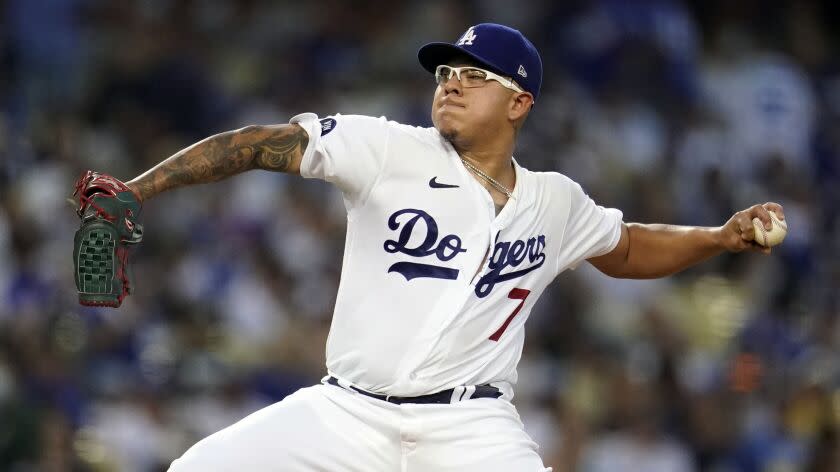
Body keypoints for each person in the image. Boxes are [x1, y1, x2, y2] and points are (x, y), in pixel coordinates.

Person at [101, 23, 783, 471]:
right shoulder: (387, 148)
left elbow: (629, 247)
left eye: (476, 74)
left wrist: (719, 237)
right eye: (446, 72)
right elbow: (256, 143)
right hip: (347, 414)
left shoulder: (554, 200)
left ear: (520, 104)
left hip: (471, 429)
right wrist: (139, 189)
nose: (452, 81)